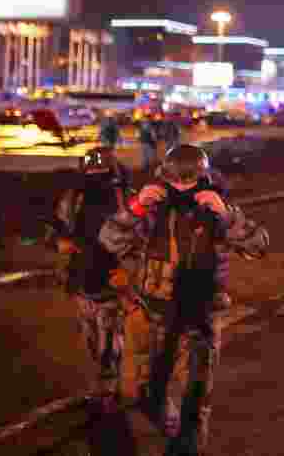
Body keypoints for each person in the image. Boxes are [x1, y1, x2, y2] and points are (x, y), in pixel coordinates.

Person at [99, 144, 269, 455]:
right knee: (141, 394)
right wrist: (135, 208)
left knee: (194, 399)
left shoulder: (216, 211)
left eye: (188, 181)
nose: (181, 188)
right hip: (153, 315)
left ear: (202, 179)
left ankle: (185, 445)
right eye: (175, 181)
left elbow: (258, 245)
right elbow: (109, 239)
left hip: (199, 319)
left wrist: (227, 215)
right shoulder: (151, 209)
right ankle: (174, 432)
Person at [44, 146, 131, 416]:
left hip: (112, 283)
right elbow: (53, 231)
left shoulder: (127, 201)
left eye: (101, 176)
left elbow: (147, 242)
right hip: (82, 280)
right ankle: (106, 387)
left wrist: (129, 271)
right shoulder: (73, 200)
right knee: (93, 341)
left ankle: (110, 391)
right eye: (92, 176)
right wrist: (60, 243)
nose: (97, 183)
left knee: (109, 342)